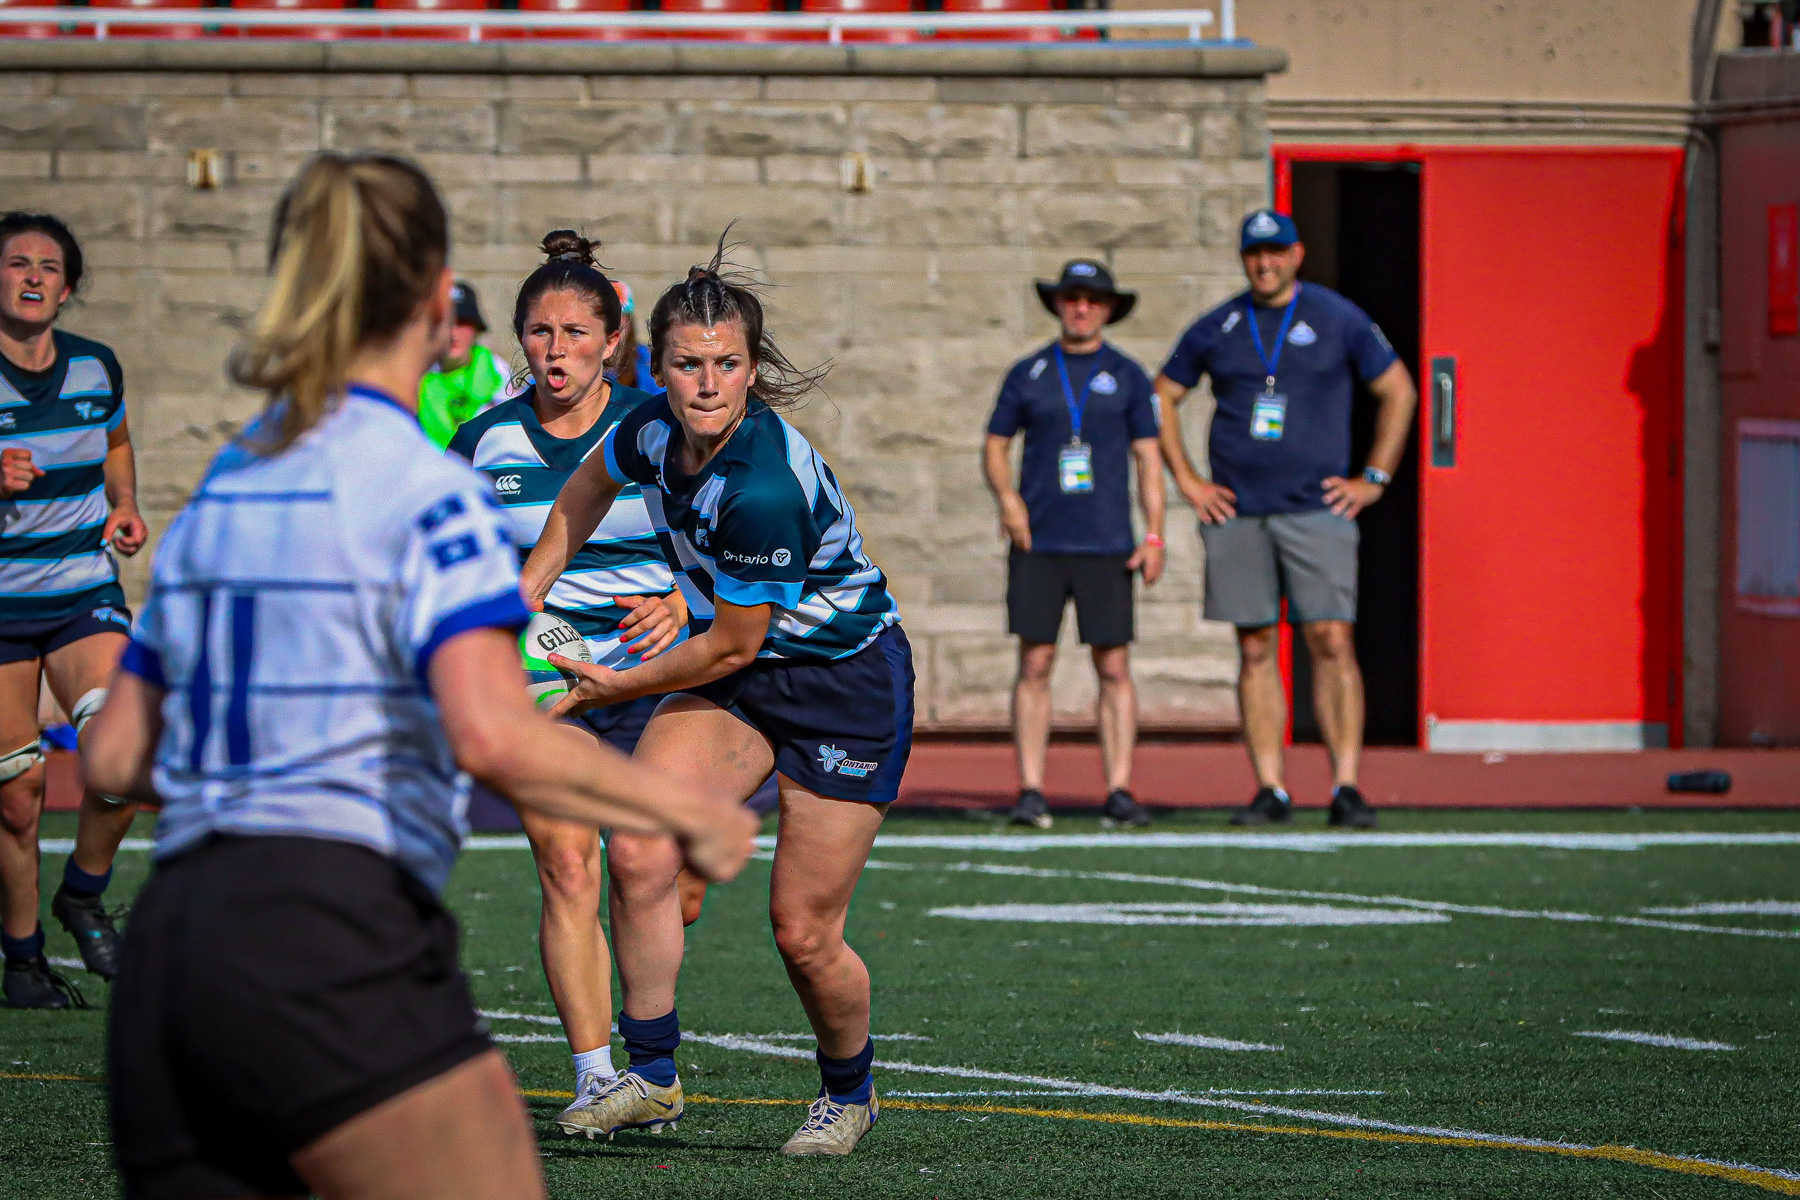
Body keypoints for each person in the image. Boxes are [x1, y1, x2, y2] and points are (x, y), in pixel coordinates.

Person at [79, 152, 756, 1200]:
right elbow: (494, 733)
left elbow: (117, 754)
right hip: (333, 933)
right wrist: (688, 816)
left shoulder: (233, 476)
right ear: (444, 308)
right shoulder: (427, 487)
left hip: (175, 950)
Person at [520, 242, 911, 1157]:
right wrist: (530, 586)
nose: (706, 383)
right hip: (743, 671)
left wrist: (611, 683)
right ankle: (651, 1080)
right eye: (688, 364)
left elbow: (728, 642)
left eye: (727, 364)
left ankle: (848, 1092)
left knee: (803, 932)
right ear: (654, 368)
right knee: (641, 847)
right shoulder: (651, 426)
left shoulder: (761, 485)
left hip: (839, 682)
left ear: (752, 369)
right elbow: (587, 486)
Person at [446, 229, 688, 1134]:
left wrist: (676, 594)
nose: (558, 352)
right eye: (541, 334)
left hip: (660, 680)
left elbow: (723, 541)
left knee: (657, 876)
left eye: (577, 333)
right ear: (522, 341)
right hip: (543, 684)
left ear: (612, 341)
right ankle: (595, 1075)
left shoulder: (658, 429)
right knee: (566, 861)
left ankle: (650, 1043)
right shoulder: (479, 443)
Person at [1154, 209, 1418, 828]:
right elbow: (1163, 393)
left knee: (1330, 640)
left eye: (1275, 252)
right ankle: (1270, 787)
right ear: (1243, 258)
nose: (1264, 263)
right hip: (1239, 513)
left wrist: (1373, 478)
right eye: (1254, 253)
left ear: (1297, 254)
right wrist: (1190, 482)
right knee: (1255, 645)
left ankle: (1346, 786)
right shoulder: (1220, 324)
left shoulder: (1336, 316)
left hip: (1316, 511)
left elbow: (1399, 389)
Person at [0, 210, 149, 1008]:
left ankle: (83, 893)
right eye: (17, 262)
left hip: (82, 591)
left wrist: (123, 504)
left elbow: (115, 439)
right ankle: (22, 960)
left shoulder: (95, 367)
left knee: (120, 753)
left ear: (68, 285)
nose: (32, 276)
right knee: (17, 792)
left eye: (49, 266)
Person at [983, 260, 1164, 831]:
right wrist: (1008, 501)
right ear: (1058, 305)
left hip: (1107, 542)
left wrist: (1154, 531)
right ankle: (1032, 788)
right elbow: (995, 444)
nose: (1081, 308)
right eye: (1071, 298)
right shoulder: (1030, 371)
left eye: (1092, 300)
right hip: (1041, 542)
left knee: (1113, 665)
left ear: (1109, 308)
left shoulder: (1129, 375)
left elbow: (1148, 458)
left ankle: (1119, 789)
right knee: (1035, 661)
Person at [418, 278, 510, 448]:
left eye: (462, 323)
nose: (453, 333)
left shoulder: (500, 375)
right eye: (447, 322)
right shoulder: (416, 375)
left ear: (476, 328)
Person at [606, 279, 655, 391]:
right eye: (608, 316)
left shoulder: (646, 360)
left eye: (620, 315)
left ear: (629, 320)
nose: (614, 322)